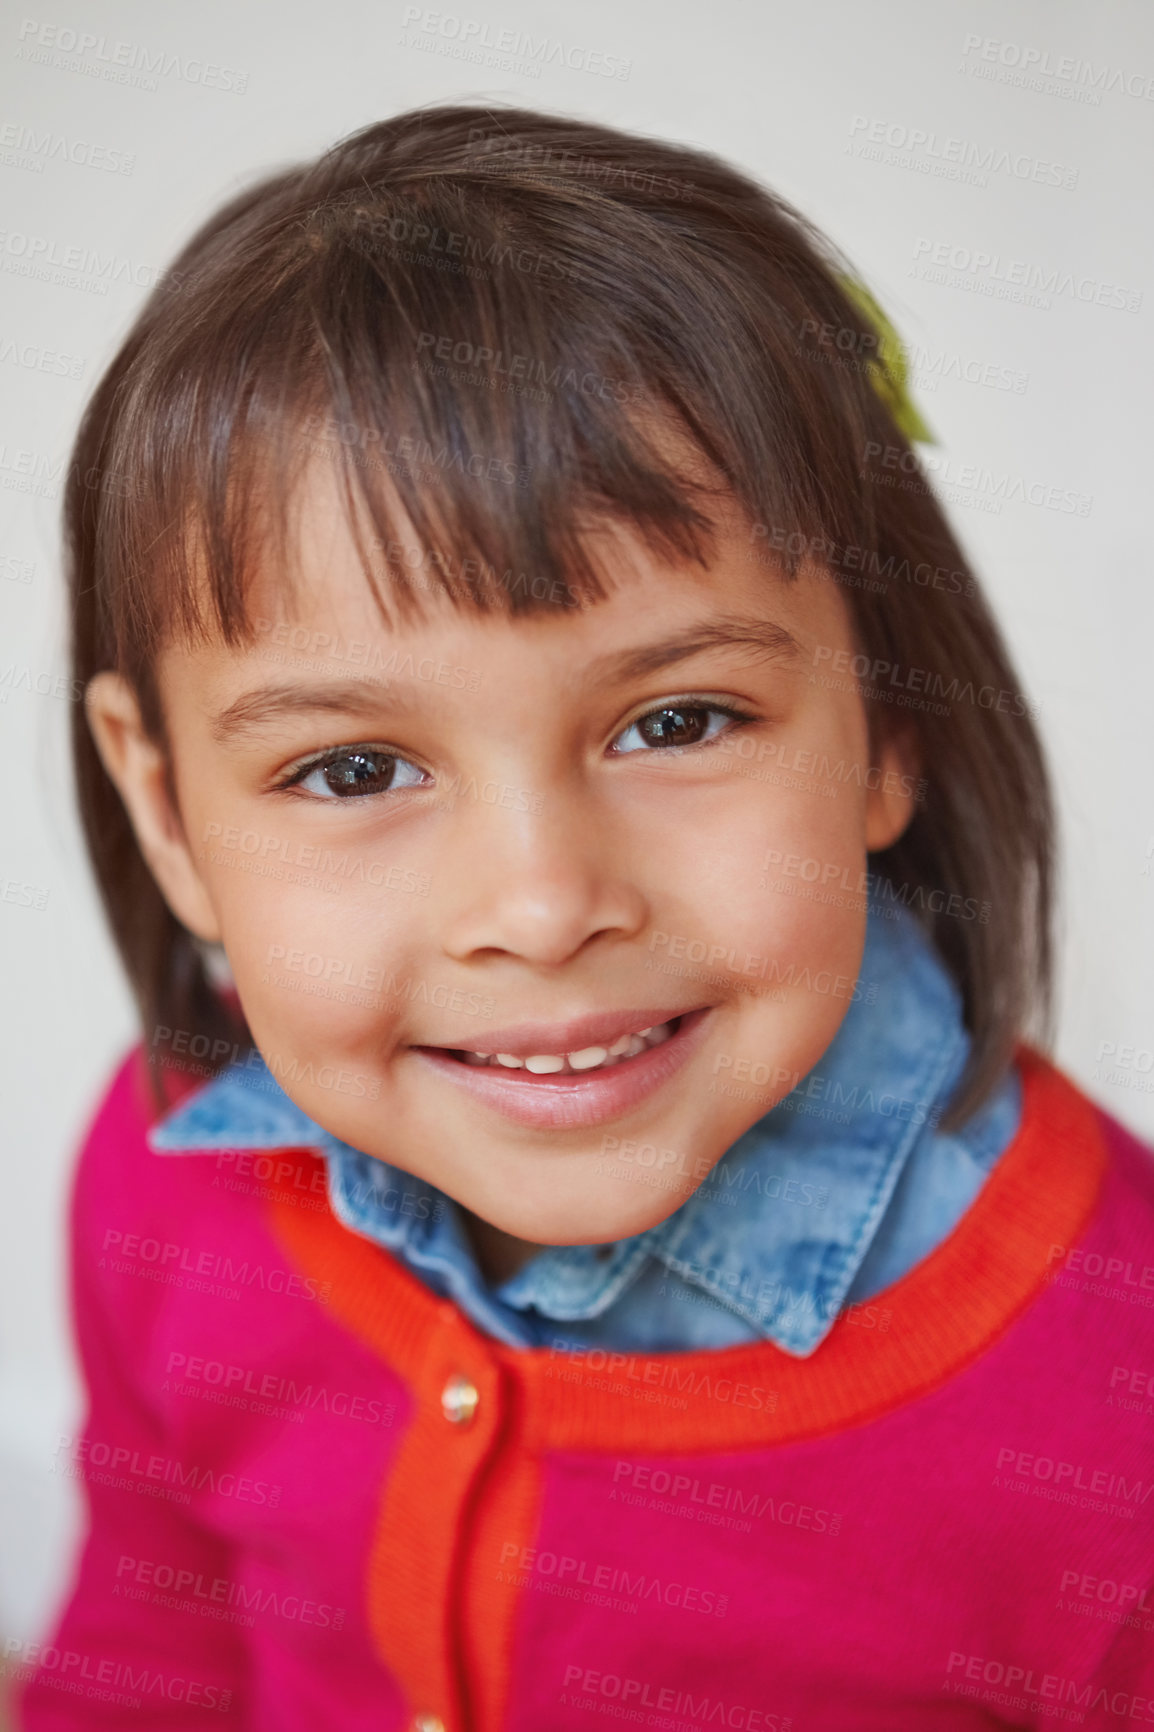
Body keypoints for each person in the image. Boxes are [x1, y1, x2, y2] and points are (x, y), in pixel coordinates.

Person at [15, 103, 1154, 1730]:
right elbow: (149, 1654)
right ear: (165, 809)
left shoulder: (1111, 1398)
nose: (542, 907)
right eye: (351, 767)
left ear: (886, 727)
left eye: (676, 722)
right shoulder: (163, 1179)